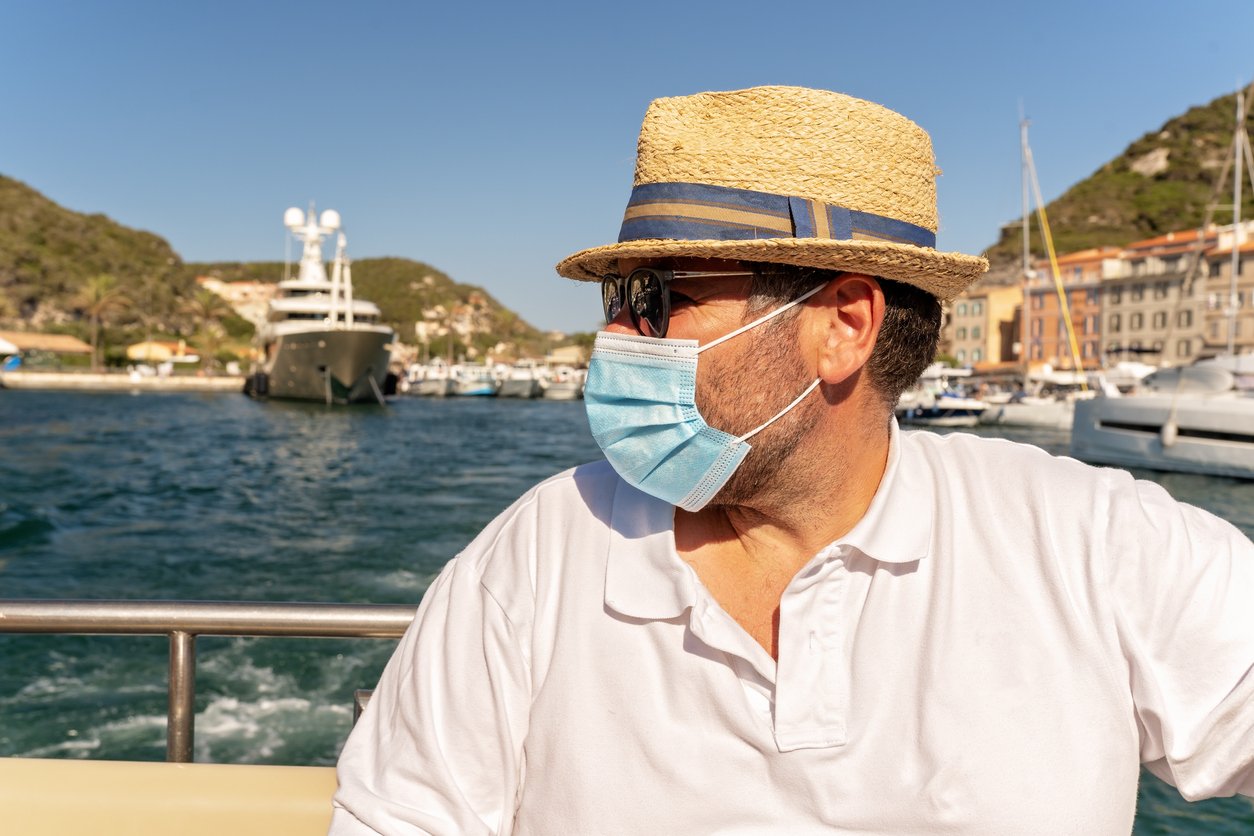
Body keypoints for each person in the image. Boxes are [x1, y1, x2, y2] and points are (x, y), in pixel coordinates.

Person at [330, 86, 1254, 835]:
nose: (615, 335)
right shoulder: (533, 559)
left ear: (843, 325)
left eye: (659, 297)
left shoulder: (1089, 544)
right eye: (617, 298)